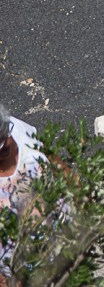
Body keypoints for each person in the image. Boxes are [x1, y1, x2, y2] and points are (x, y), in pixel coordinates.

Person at [0, 104, 48, 284]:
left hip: (61, 249)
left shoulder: (19, 130)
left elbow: (49, 156)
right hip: (17, 270)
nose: (6, 144)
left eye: (5, 136)